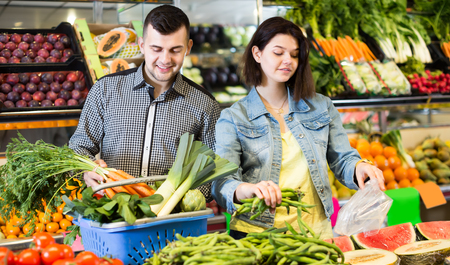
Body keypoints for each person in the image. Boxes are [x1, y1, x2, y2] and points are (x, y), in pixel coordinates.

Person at [211, 17, 385, 240]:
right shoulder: (234, 117)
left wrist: (359, 167)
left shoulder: (321, 106)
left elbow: (343, 159)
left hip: (316, 234)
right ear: (257, 53)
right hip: (258, 236)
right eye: (278, 52)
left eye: (294, 55)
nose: (288, 61)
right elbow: (221, 183)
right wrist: (248, 189)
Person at [69, 5, 220, 197]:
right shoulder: (105, 89)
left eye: (175, 50)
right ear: (141, 45)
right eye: (156, 49)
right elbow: (79, 147)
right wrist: (86, 171)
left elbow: (213, 170)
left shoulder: (205, 105)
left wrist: (190, 196)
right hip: (111, 209)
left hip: (170, 219)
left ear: (188, 48)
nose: (165, 60)